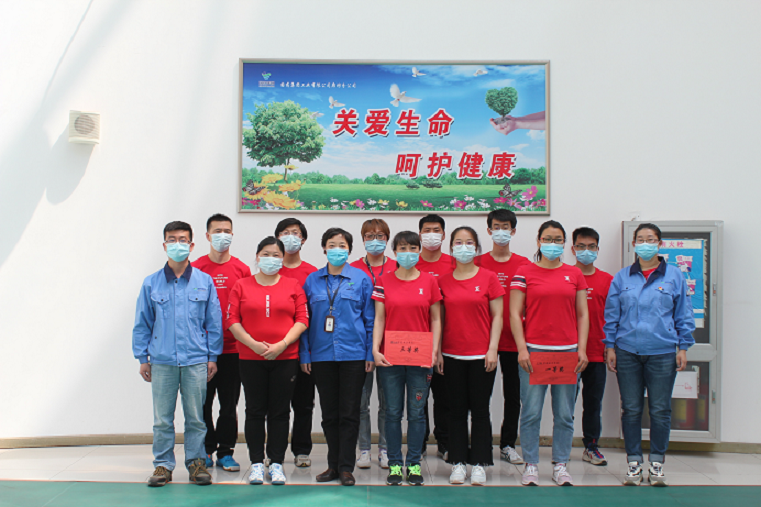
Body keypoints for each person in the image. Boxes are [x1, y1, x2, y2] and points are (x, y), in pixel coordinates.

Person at [603, 223, 695, 487]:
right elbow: (612, 315)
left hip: (662, 352)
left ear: (659, 244)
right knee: (631, 409)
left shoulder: (674, 276)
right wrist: (610, 346)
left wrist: (683, 346)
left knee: (660, 410)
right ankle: (633, 463)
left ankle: (656, 464)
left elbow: (683, 313)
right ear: (634, 244)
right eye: (641, 239)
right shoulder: (622, 277)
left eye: (651, 239)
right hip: (627, 352)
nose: (645, 244)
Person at [132, 221, 222, 487]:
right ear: (164, 245)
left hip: (195, 360)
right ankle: (163, 465)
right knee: (162, 419)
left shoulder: (204, 281)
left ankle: (196, 464)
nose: (177, 244)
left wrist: (212, 357)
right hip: (162, 362)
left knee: (196, 418)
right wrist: (142, 358)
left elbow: (214, 322)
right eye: (172, 239)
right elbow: (142, 323)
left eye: (183, 239)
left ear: (192, 245)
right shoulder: (151, 283)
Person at [509, 220, 589, 487]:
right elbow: (514, 313)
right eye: (547, 239)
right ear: (538, 241)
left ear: (564, 244)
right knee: (531, 412)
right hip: (534, 352)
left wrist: (581, 349)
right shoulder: (524, 272)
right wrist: (522, 348)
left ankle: (561, 464)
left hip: (567, 352)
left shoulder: (574, 274)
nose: (552, 244)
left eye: (558, 240)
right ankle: (531, 464)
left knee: (564, 414)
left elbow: (582, 314)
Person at [226, 236, 308, 486]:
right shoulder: (241, 285)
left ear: (283, 259)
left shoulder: (293, 285)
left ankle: (277, 463)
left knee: (280, 412)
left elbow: (302, 319)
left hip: (285, 357)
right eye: (265, 254)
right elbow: (232, 320)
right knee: (254, 410)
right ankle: (256, 463)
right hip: (250, 358)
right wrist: (253, 344)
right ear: (257, 256)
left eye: (275, 255)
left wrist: (282, 344)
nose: (270, 259)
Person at [300, 228, 375, 486]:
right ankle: (332, 465)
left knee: (350, 412)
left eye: (342, 245)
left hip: (354, 355)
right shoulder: (312, 280)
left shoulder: (361, 279)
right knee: (330, 414)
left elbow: (370, 320)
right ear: (324, 248)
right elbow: (304, 321)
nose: (337, 249)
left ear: (349, 249)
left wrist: (369, 352)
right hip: (321, 355)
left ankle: (346, 467)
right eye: (332, 244)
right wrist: (305, 353)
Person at [372, 231, 442, 486]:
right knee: (392, 413)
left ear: (419, 250)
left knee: (416, 413)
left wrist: (434, 350)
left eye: (413, 248)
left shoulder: (429, 281)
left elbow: (436, 318)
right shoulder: (384, 281)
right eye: (403, 248)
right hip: (390, 359)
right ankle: (394, 464)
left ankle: (413, 464)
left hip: (420, 359)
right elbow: (379, 318)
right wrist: (375, 349)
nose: (408, 253)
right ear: (395, 252)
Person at [437, 227, 504, 486]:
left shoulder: (489, 278)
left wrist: (492, 348)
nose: (463, 247)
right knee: (455, 411)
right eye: (458, 242)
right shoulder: (443, 281)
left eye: (469, 242)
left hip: (481, 356)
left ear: (476, 248)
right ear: (451, 247)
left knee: (480, 411)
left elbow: (498, 315)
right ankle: (457, 462)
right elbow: (439, 319)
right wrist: (438, 351)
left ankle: (479, 463)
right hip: (451, 355)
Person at [192, 213, 251, 472]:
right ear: (207, 236)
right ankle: (206, 449)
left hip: (233, 349)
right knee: (203, 404)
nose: (222, 235)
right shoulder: (196, 268)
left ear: (232, 235)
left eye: (227, 231)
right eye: (217, 231)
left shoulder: (241, 269)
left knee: (229, 405)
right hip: (202, 350)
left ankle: (226, 452)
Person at [475, 208, 529, 465]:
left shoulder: (524, 265)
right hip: (482, 343)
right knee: (479, 398)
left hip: (515, 343)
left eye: (505, 227)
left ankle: (507, 444)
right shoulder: (477, 263)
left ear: (513, 231)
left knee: (513, 397)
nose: (500, 231)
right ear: (488, 230)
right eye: (496, 226)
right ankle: (480, 443)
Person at [350, 219, 393, 470]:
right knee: (361, 403)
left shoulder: (398, 267)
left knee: (388, 404)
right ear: (362, 239)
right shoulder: (352, 269)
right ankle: (364, 449)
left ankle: (385, 449)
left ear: (387, 238)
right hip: (360, 345)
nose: (374, 240)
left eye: (379, 235)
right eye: (369, 236)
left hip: (392, 345)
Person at [275, 218, 318, 468]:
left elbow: (314, 314)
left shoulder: (312, 273)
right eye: (284, 233)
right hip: (275, 350)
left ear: (303, 239)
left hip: (304, 349)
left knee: (303, 404)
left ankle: (302, 449)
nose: (290, 237)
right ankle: (275, 452)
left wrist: (308, 351)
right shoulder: (270, 270)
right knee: (277, 405)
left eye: (295, 233)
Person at [571, 226, 613, 466]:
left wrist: (610, 344)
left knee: (593, 403)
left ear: (597, 249)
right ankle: (562, 447)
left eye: (591, 246)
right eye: (581, 246)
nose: (586, 251)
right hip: (568, 352)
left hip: (597, 351)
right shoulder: (565, 276)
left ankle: (591, 447)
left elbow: (614, 316)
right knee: (565, 404)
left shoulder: (608, 280)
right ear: (573, 249)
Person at [416, 214, 454, 461]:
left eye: (436, 230)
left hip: (449, 340)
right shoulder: (410, 263)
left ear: (443, 234)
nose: (432, 234)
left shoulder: (454, 263)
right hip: (417, 341)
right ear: (420, 235)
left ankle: (445, 442)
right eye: (427, 230)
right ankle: (418, 443)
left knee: (444, 397)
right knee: (418, 397)